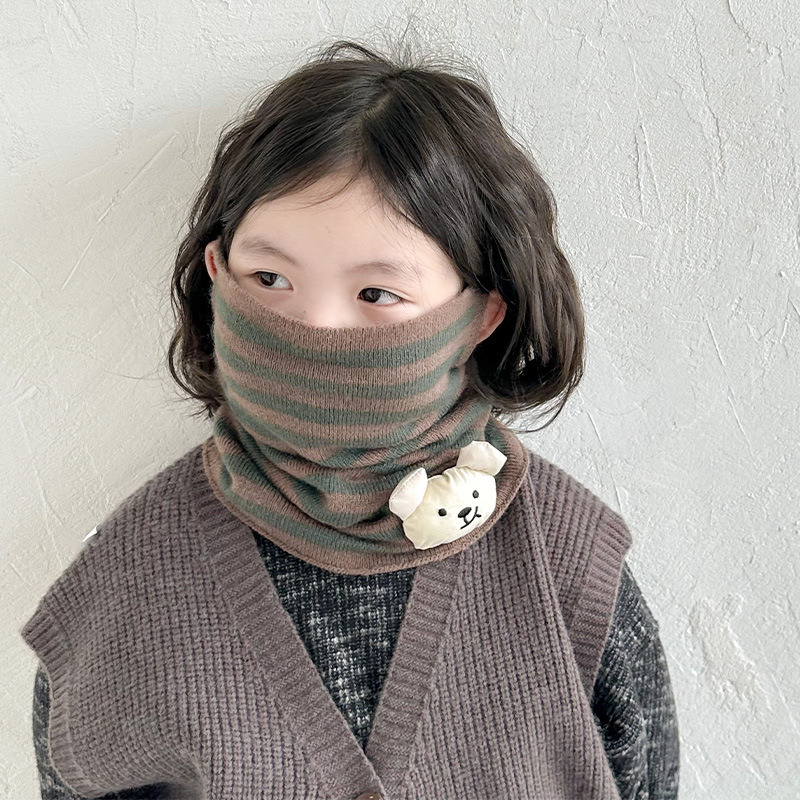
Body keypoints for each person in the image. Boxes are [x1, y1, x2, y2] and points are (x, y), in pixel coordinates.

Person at [21, 39, 679, 800]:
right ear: (216, 275)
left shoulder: (567, 567)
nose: (316, 327)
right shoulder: (130, 582)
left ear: (481, 316)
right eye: (270, 278)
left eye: (376, 294)